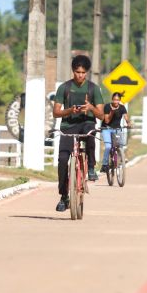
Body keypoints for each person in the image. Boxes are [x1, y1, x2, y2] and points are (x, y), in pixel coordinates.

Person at [53, 55, 105, 212]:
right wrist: (70, 110)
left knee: (90, 133)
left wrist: (91, 108)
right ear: (73, 71)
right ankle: (64, 197)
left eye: (83, 72)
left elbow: (101, 115)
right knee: (62, 160)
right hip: (68, 126)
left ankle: (90, 167)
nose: (80, 75)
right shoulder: (64, 88)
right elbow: (56, 112)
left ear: (87, 72)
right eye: (77, 72)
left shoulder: (93, 89)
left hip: (86, 123)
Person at [101, 92, 131, 173]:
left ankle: (121, 159)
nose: (115, 102)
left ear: (119, 100)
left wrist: (128, 123)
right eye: (114, 100)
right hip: (106, 128)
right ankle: (104, 164)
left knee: (120, 145)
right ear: (112, 99)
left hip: (117, 129)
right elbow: (107, 121)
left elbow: (126, 116)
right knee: (108, 146)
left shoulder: (122, 107)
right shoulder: (107, 106)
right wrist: (112, 112)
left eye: (117, 100)